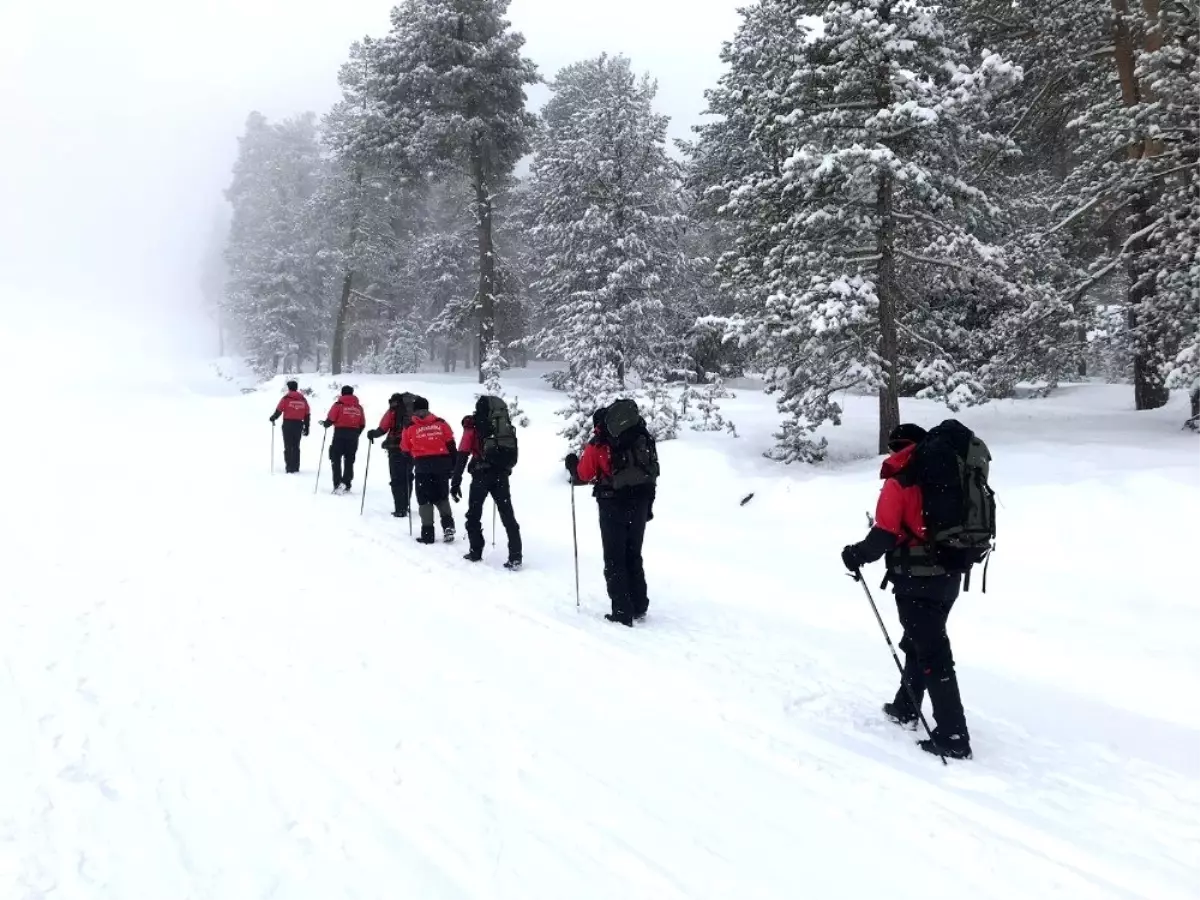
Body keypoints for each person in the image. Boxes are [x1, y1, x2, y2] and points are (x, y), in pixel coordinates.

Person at [841, 423, 972, 760]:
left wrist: (855, 555)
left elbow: (885, 535)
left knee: (933, 653)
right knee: (921, 642)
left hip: (916, 577)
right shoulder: (950, 476)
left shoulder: (901, 480)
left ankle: (953, 736)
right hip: (950, 574)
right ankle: (906, 706)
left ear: (898, 447)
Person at [565, 401, 659, 627]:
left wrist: (572, 466)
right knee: (633, 554)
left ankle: (621, 611)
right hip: (641, 500)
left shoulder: (600, 443)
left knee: (614, 558)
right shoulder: (640, 436)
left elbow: (584, 474)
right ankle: (638, 605)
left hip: (613, 503)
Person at [453, 397, 522, 569]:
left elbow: (462, 454)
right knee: (507, 515)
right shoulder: (503, 426)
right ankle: (515, 556)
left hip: (480, 475)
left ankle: (476, 551)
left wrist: (456, 481)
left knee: (474, 514)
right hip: (501, 474)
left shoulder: (473, 426)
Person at [400, 396, 457, 544]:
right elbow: (451, 445)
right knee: (442, 496)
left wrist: (409, 460)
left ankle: (428, 534)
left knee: (424, 500)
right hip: (442, 464)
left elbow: (405, 448)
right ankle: (448, 526)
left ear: (414, 410)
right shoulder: (441, 423)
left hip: (422, 466)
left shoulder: (410, 426)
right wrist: (453, 466)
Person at [367, 392, 416, 518]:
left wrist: (372, 433)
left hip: (395, 448)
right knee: (407, 477)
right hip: (411, 449)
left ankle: (400, 508)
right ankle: (406, 504)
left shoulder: (393, 411)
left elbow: (383, 428)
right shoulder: (414, 411)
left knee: (396, 478)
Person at [320, 385, 366, 494]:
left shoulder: (338, 405)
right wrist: (356, 433)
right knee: (349, 460)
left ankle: (337, 483)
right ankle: (347, 483)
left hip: (339, 434)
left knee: (335, 459)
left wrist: (325, 424)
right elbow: (362, 424)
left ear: (342, 393)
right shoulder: (359, 407)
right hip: (353, 435)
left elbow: (331, 419)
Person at [269, 380, 310, 473]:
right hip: (299, 424)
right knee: (296, 446)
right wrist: (307, 427)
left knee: (288, 446)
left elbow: (279, 411)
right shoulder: (303, 399)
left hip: (287, 424)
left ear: (289, 388)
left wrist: (273, 418)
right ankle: (296, 466)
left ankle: (289, 467)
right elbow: (307, 414)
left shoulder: (286, 398)